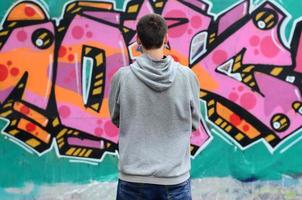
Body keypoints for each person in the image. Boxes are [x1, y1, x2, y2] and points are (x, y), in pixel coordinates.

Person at [109, 13, 200, 200]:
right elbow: (193, 123)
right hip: (175, 179)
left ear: (138, 40)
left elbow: (116, 118)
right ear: (166, 38)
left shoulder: (122, 77)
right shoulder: (187, 76)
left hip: (132, 179)